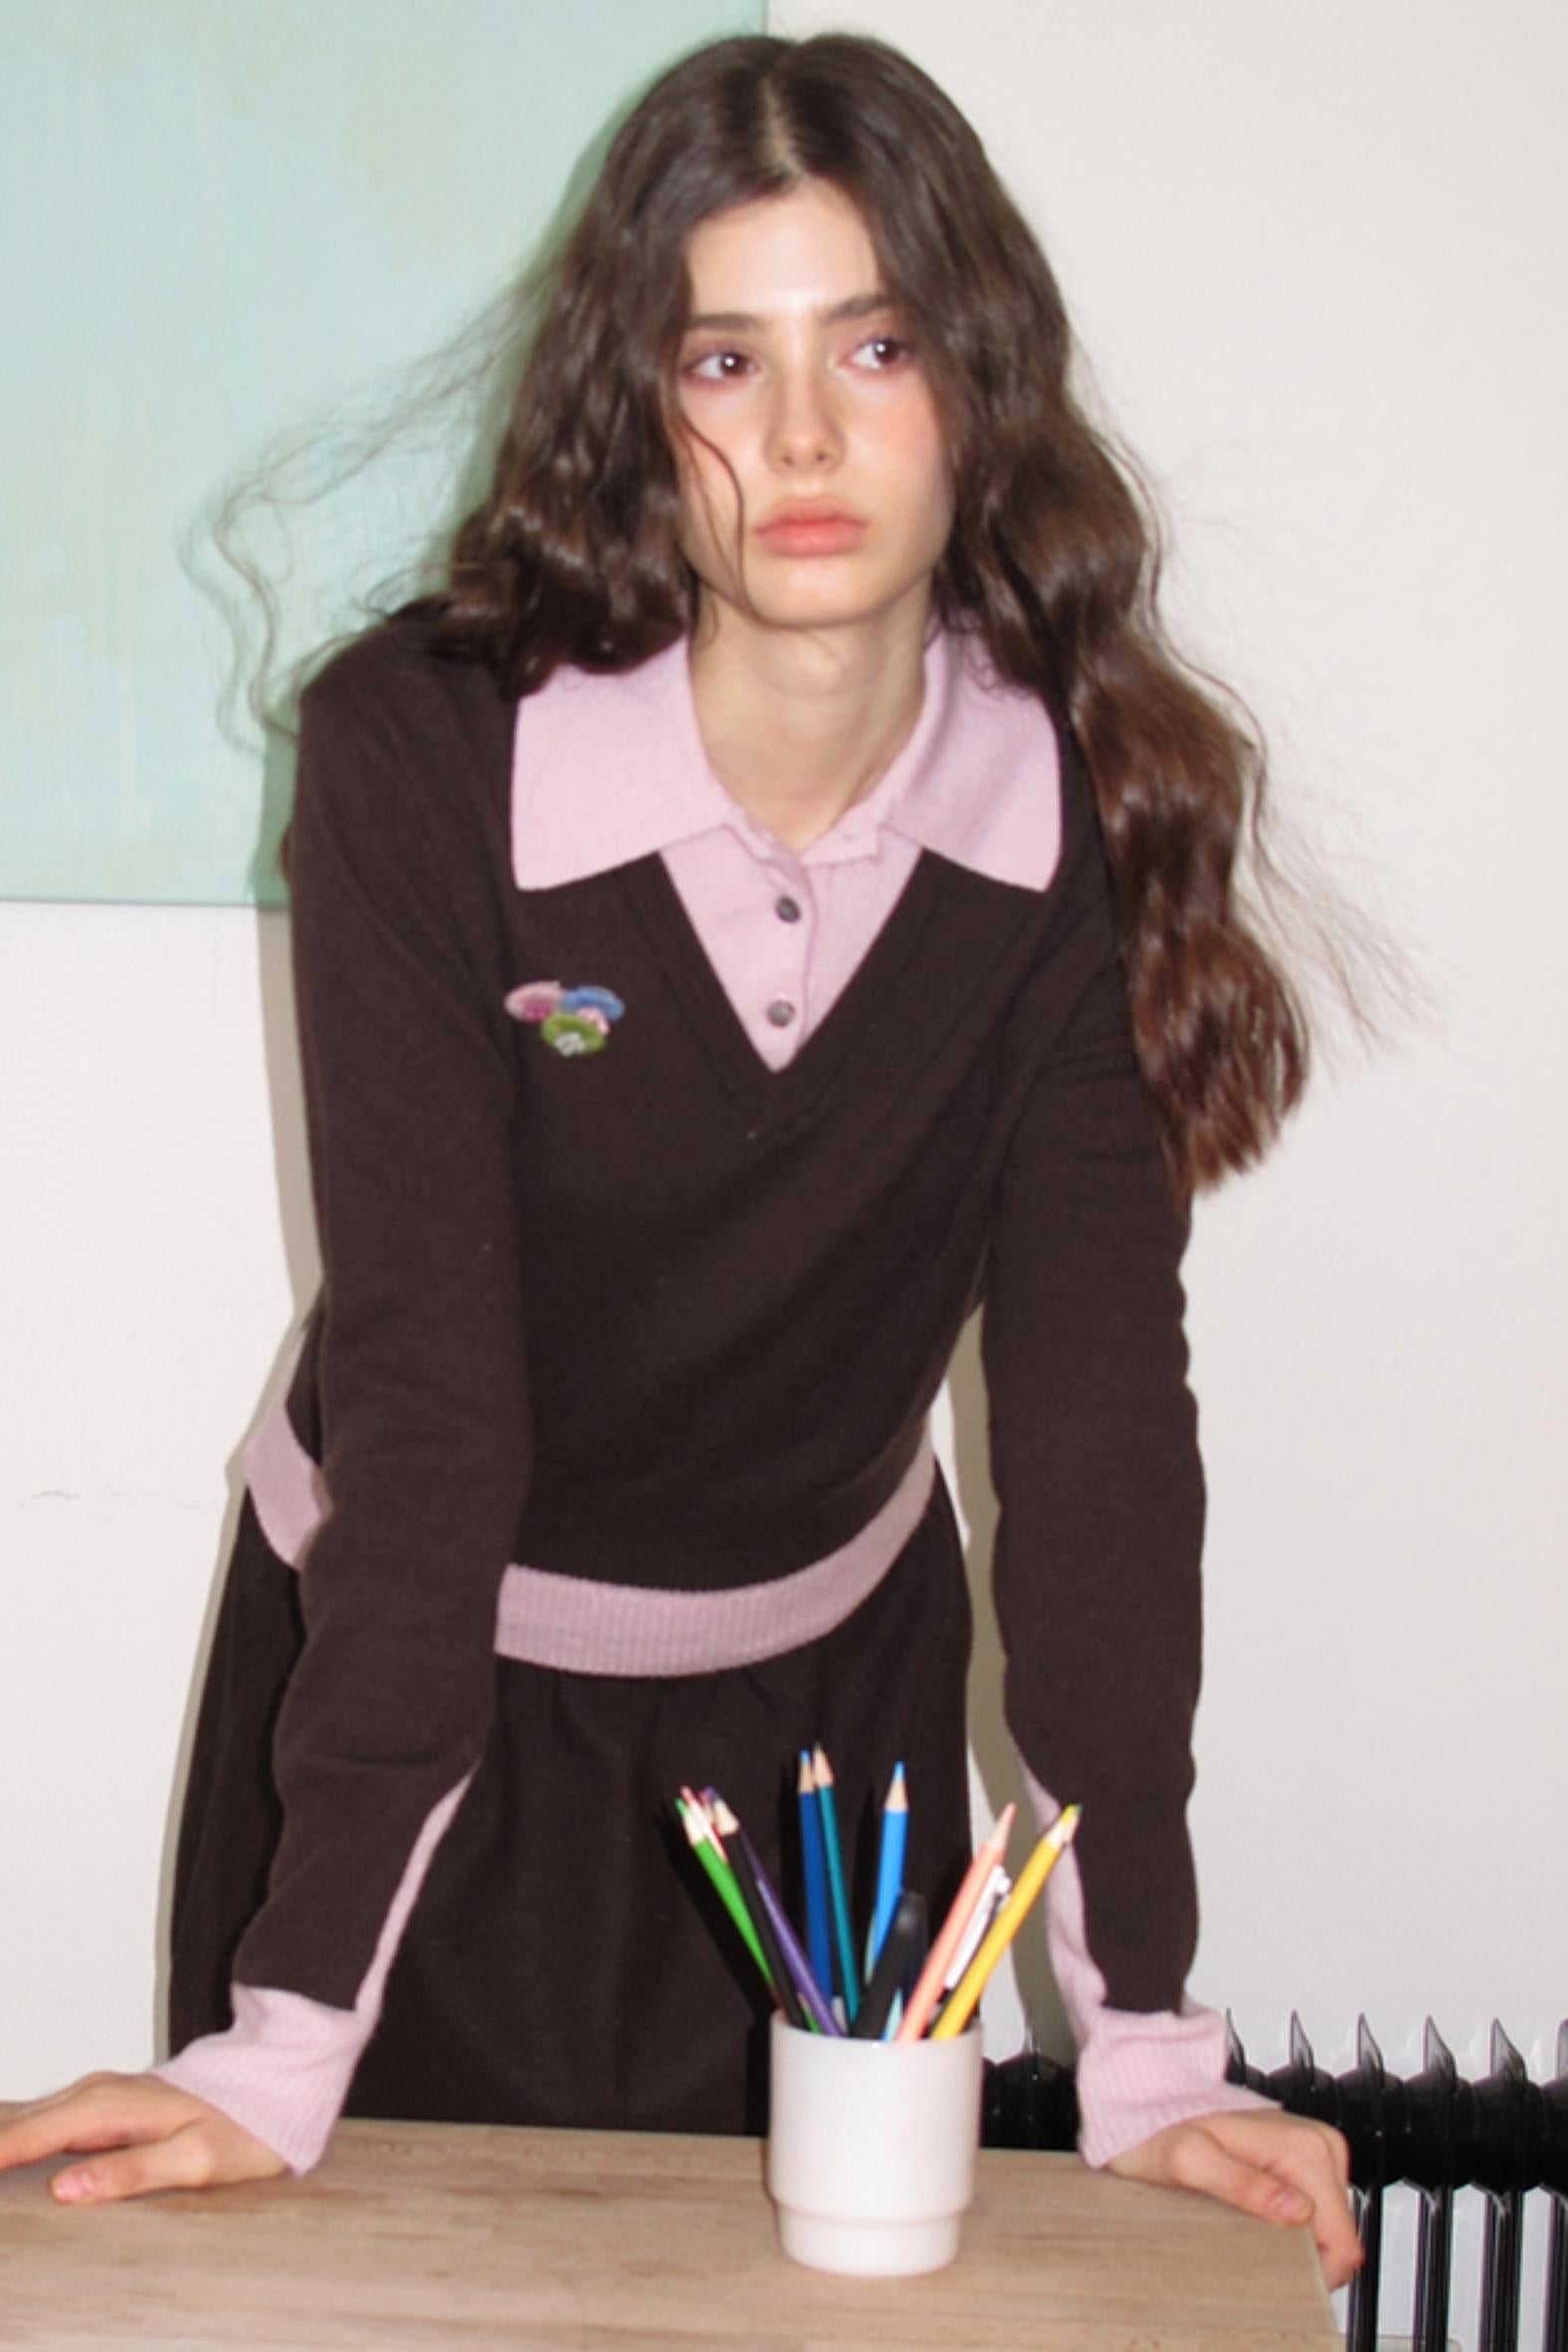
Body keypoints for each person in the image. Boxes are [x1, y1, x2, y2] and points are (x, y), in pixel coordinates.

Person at [0, 31, 1359, 2284]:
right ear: (636, 403)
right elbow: (431, 1406)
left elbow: (1099, 1440)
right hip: (406, 1708)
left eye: (876, 347)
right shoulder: (422, 754)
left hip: (820, 1753)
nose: (802, 438)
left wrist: (1146, 2037)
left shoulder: (1079, 815)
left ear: (981, 388)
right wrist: (290, 2017)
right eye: (726, 358)